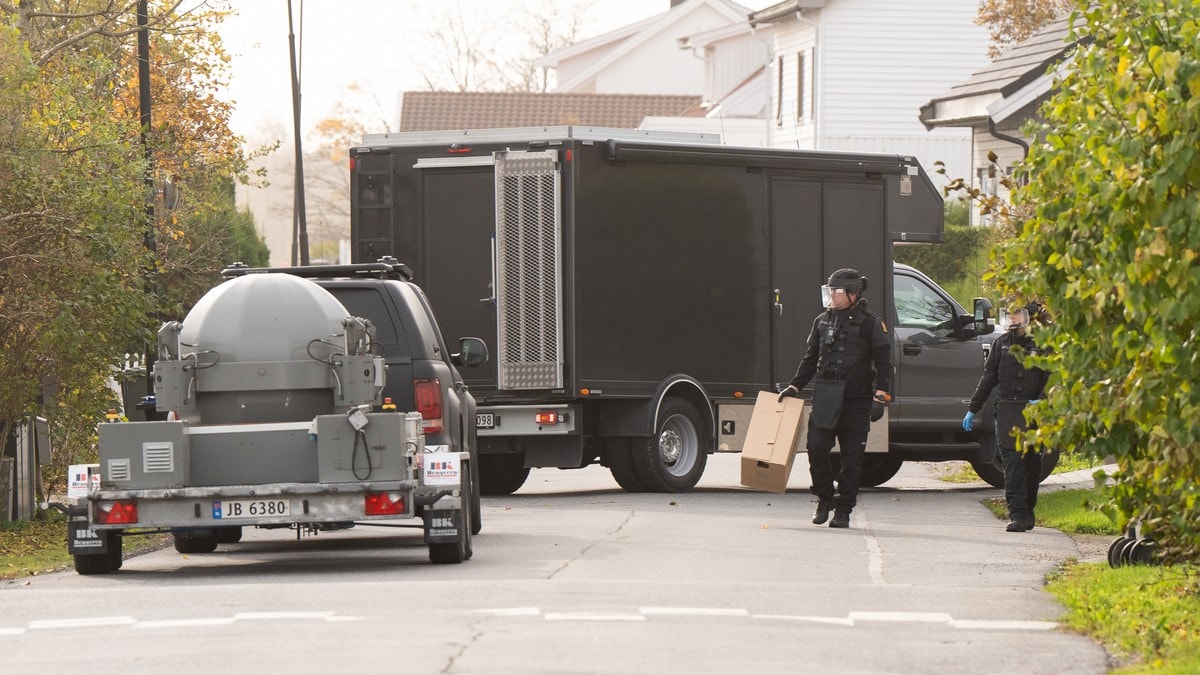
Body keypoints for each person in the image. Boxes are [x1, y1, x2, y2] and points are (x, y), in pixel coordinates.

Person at [778, 268, 892, 529]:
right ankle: (824, 498)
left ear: (853, 293)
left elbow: (884, 363)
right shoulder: (822, 321)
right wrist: (794, 387)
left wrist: (880, 396)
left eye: (836, 291)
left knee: (852, 459)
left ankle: (843, 510)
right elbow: (810, 359)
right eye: (828, 291)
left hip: (856, 400)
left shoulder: (870, 323)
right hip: (826, 396)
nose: (831, 296)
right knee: (816, 449)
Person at [962, 304, 1050, 532]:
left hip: (1033, 411)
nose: (1013, 318)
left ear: (1027, 316)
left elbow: (1051, 376)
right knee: (1012, 464)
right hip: (1008, 410)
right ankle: (1017, 514)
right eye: (1009, 313)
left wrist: (1042, 398)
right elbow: (989, 378)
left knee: (1031, 464)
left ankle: (1028, 510)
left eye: (1017, 313)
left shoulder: (1040, 344)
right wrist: (973, 408)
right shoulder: (1000, 345)